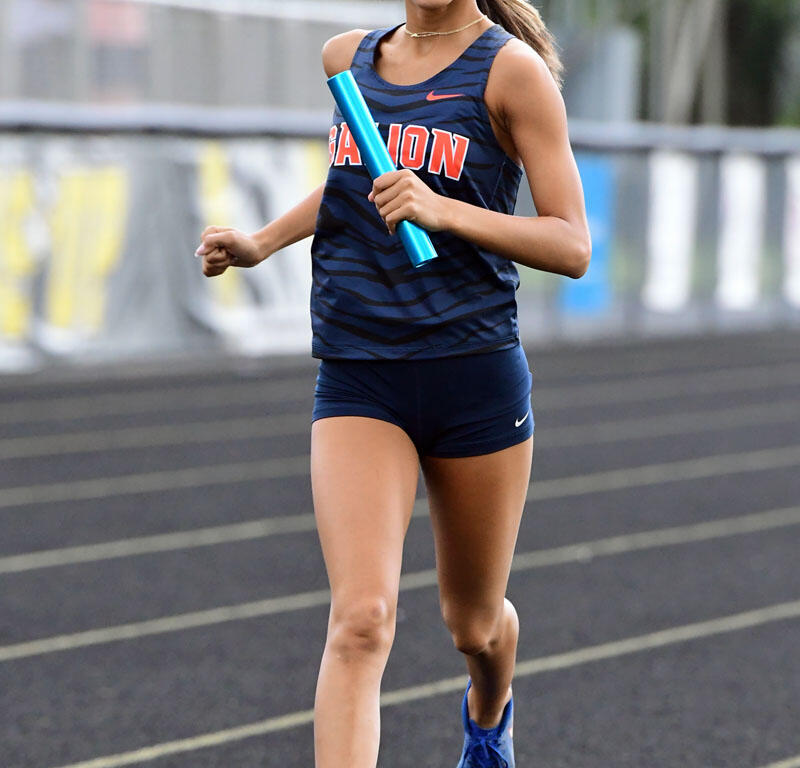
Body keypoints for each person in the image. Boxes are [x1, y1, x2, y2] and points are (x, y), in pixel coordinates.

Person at [195, 0, 590, 765]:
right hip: (360, 370)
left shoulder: (512, 71)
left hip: (471, 374)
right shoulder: (348, 57)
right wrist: (260, 242)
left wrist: (443, 211)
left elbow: (571, 244)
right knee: (361, 620)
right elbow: (354, 182)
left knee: (472, 624)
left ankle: (490, 708)